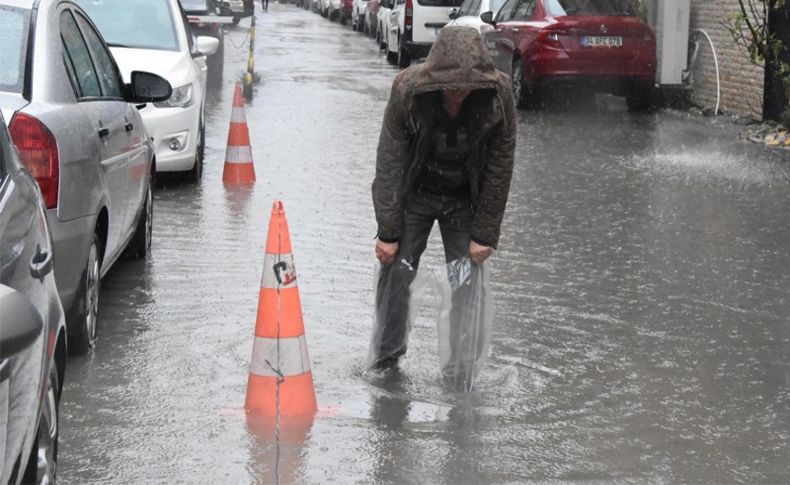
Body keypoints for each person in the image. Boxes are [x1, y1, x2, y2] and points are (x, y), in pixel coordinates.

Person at [370, 27, 516, 378]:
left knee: (466, 278)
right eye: (451, 86)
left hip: (464, 198)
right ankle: (386, 362)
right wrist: (388, 231)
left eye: (466, 86)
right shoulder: (407, 89)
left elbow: (500, 163)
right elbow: (389, 161)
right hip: (416, 192)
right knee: (398, 271)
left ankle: (461, 370)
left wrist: (484, 233)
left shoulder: (498, 96)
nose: (459, 93)